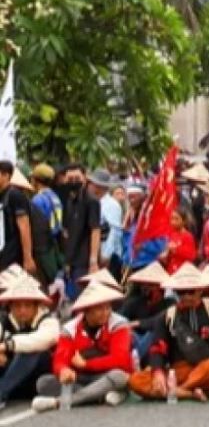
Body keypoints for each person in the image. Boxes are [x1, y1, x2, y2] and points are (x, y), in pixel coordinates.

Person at [129, 263, 209, 402]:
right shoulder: (167, 316)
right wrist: (158, 373)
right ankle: (189, 393)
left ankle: (177, 391)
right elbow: (157, 348)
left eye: (191, 291)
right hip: (177, 370)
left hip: (205, 368)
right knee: (135, 380)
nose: (186, 296)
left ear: (200, 290)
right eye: (181, 292)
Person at [32, 281, 132, 412]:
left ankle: (60, 402)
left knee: (119, 376)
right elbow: (60, 359)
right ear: (87, 310)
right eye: (100, 309)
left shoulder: (119, 324)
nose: (106, 312)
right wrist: (63, 370)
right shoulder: (69, 328)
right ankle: (97, 395)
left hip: (106, 374)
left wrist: (86, 364)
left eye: (108, 308)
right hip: (80, 378)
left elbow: (121, 360)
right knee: (43, 382)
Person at [0, 277, 60, 408]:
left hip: (37, 378)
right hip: (11, 377)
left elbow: (44, 339)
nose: (22, 310)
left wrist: (6, 346)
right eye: (17, 306)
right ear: (10, 307)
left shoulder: (48, 321)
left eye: (27, 306)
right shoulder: (3, 322)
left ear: (36, 306)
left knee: (31, 350)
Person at [119, 262, 173, 361]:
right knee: (127, 333)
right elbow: (119, 317)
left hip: (158, 342)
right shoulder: (136, 302)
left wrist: (136, 323)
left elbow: (159, 321)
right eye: (146, 284)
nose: (147, 288)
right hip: (135, 340)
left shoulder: (170, 303)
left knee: (153, 332)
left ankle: (134, 359)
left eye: (152, 285)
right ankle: (134, 358)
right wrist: (126, 327)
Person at [60, 164, 102, 294]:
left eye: (76, 177)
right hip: (72, 260)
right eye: (70, 178)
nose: (73, 181)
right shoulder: (69, 200)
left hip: (85, 261)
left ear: (84, 178)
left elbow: (95, 230)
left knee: (83, 297)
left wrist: (93, 261)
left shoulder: (91, 201)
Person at [30, 163, 64, 284]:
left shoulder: (38, 199)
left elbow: (36, 227)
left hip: (43, 248)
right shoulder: (55, 197)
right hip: (55, 245)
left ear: (35, 180)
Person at [0, 161, 36, 276]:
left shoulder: (15, 195)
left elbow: (24, 227)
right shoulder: (2, 196)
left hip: (13, 256)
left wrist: (28, 257)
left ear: (6, 175)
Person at [87, 169, 123, 278]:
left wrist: (105, 255)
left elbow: (114, 232)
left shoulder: (111, 205)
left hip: (107, 256)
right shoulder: (93, 202)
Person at [161, 207, 197, 275]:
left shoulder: (188, 236)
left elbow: (191, 255)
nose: (173, 222)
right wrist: (165, 256)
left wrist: (176, 249)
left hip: (182, 273)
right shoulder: (171, 235)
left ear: (184, 221)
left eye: (176, 219)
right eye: (172, 218)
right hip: (171, 271)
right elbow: (168, 255)